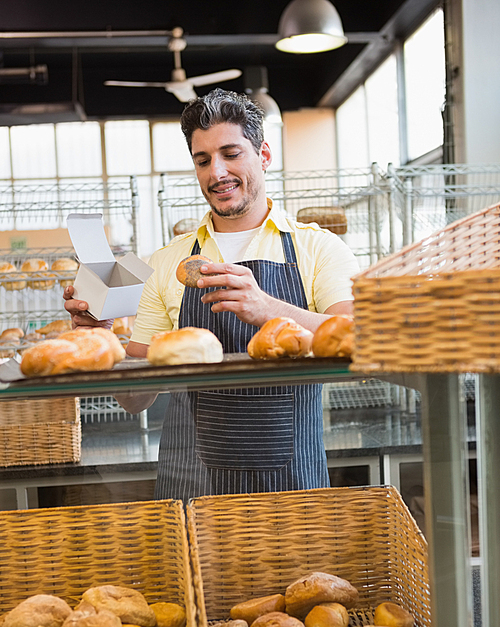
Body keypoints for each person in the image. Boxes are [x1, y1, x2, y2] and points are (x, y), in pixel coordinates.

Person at [64, 88, 360, 501]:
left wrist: (267, 307)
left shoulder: (319, 249)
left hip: (292, 485)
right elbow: (134, 398)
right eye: (202, 160)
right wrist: (103, 336)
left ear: (265, 155)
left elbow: (355, 337)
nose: (216, 172)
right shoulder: (166, 262)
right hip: (191, 485)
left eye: (231, 153)